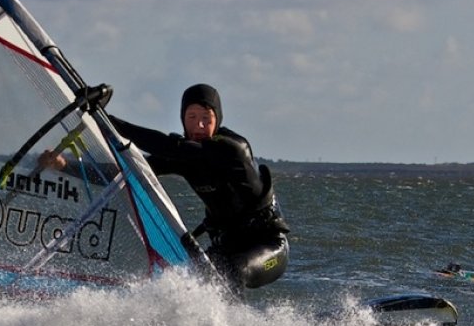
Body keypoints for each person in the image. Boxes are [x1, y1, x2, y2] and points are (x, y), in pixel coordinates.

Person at [41, 83, 289, 292]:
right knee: (193, 282)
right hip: (226, 247)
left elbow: (169, 146)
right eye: (192, 118)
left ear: (218, 120)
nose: (199, 126)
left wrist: (107, 120)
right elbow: (128, 173)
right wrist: (65, 166)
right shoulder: (184, 157)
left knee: (233, 272)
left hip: (268, 247)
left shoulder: (233, 149)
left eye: (206, 118)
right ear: (183, 120)